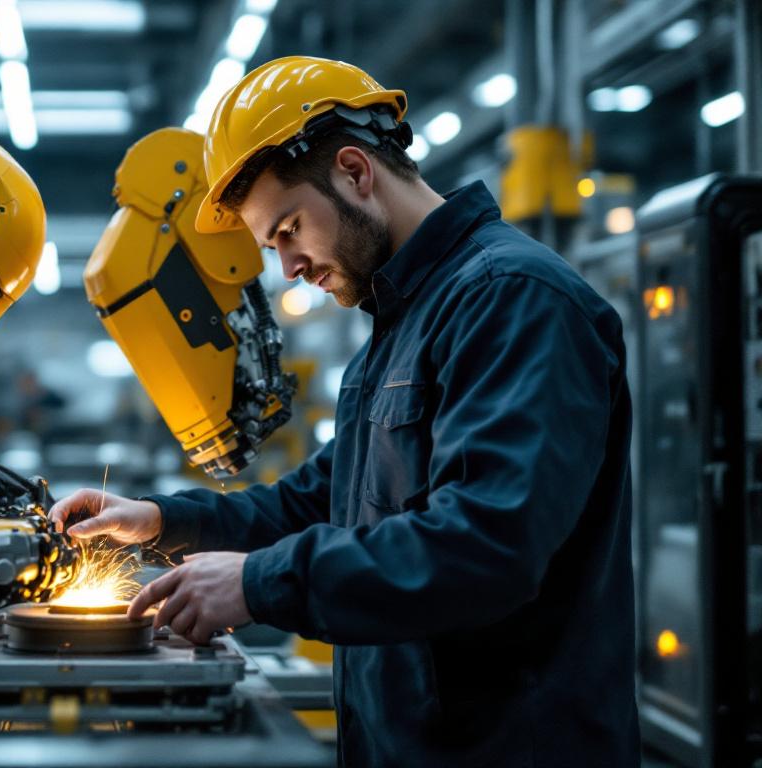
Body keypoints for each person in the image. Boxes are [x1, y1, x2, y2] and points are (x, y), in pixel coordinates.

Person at [50, 56, 637, 767]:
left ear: (356, 172)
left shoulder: (513, 299)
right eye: (274, 247)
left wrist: (257, 582)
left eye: (290, 228)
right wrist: (162, 522)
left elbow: (487, 544)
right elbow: (322, 502)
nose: (289, 266)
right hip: (404, 744)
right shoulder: (398, 326)